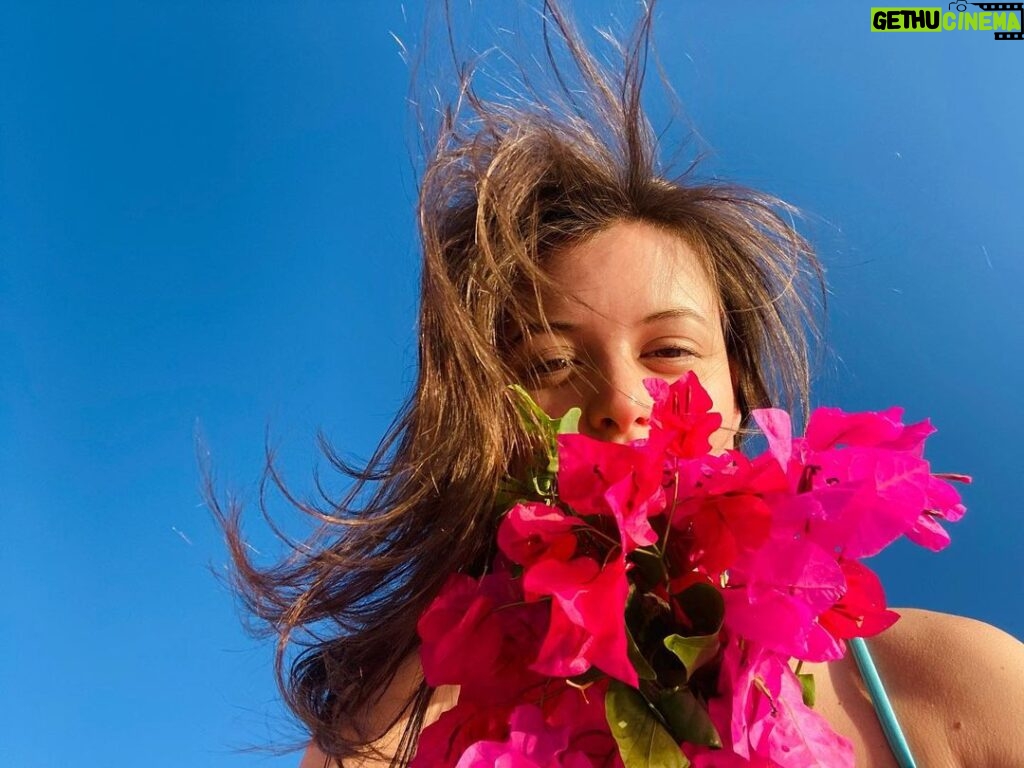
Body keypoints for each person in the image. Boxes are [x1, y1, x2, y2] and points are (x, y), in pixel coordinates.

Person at [215, 3, 1024, 766]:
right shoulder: (395, 731)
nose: (623, 402)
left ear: (737, 389)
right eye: (550, 364)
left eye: (669, 350)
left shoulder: (954, 684)